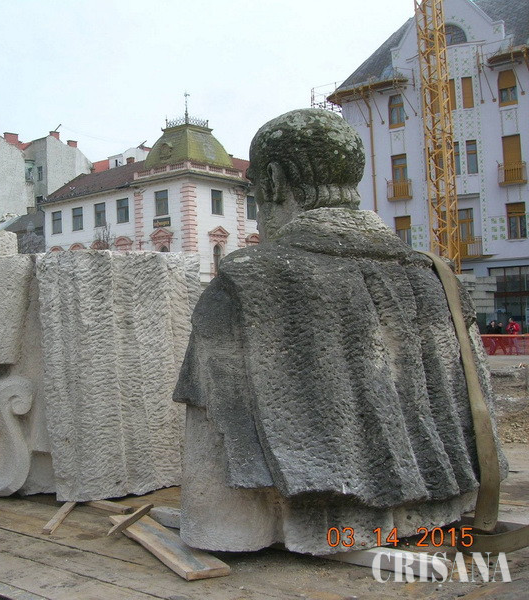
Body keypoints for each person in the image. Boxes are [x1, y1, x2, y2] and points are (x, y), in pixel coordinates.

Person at [173, 108, 506, 555]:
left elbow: (217, 480)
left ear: (273, 181)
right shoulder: (436, 275)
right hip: (444, 511)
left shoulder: (245, 281)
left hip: (322, 528)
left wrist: (213, 531)